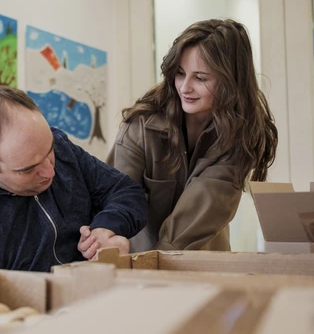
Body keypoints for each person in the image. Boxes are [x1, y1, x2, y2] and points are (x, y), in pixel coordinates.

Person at [0, 86, 148, 274]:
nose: (50, 172)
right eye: (29, 169)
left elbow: (126, 191)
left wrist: (106, 229)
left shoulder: (60, 148)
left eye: (49, 151)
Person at [106, 18, 278, 252]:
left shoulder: (240, 135)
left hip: (199, 263)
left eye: (200, 78)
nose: (185, 87)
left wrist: (158, 263)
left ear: (231, 81)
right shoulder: (140, 125)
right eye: (180, 73)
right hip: (138, 262)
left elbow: (201, 209)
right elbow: (114, 198)